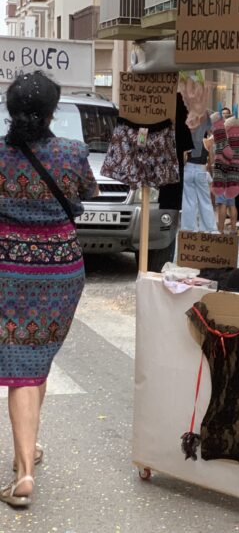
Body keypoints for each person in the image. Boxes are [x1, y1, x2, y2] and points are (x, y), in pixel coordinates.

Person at [0, 72, 98, 507]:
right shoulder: (73, 152)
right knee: (33, 356)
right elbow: (84, 197)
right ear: (53, 111)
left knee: (22, 359)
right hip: (61, 269)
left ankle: (24, 469)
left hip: (7, 267)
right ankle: (28, 455)